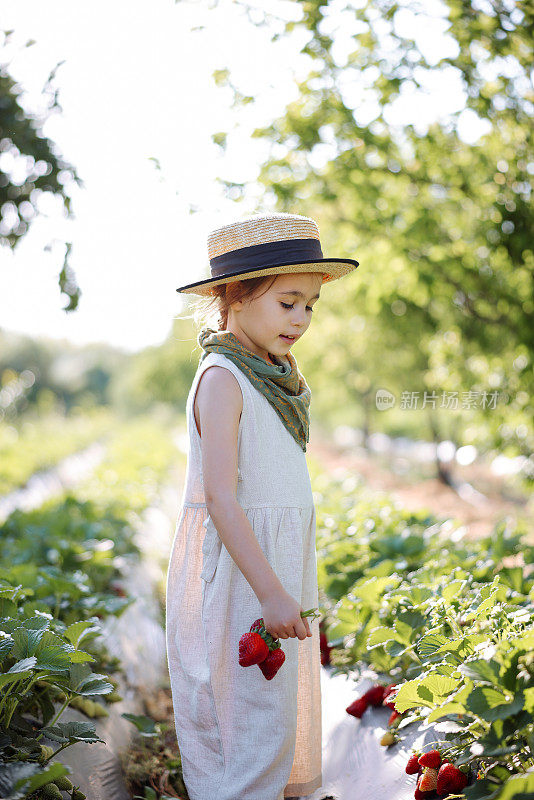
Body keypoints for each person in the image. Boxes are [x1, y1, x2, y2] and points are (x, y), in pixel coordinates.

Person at [165, 212, 359, 800]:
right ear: (235, 295)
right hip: (242, 577)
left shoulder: (274, 374)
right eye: (288, 302)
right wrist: (272, 591)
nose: (301, 319)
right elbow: (222, 497)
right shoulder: (224, 378)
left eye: (309, 306)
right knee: (246, 723)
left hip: (272, 570)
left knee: (272, 721)